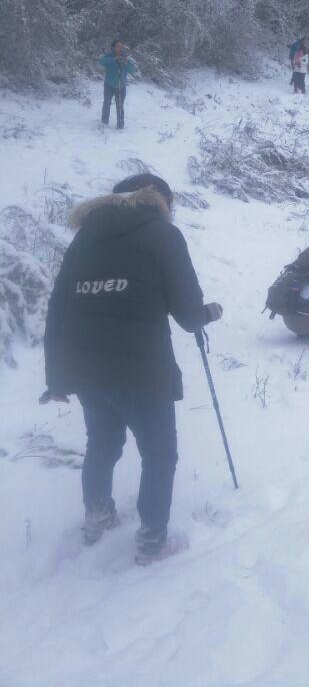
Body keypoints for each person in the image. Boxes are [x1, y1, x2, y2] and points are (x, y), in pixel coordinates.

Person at [41, 173, 223, 563]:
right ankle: (152, 541)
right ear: (160, 201)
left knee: (102, 445)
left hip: (87, 369)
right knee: (159, 455)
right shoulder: (163, 235)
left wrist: (56, 375)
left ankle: (98, 515)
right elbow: (189, 315)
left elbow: (57, 307)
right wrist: (210, 313)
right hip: (142, 371)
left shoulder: (85, 236)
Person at [99, 40, 136, 130]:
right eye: (118, 46)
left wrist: (126, 63)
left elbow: (132, 70)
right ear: (114, 47)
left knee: (120, 105)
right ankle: (104, 122)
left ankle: (120, 124)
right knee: (107, 103)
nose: (120, 48)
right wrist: (113, 59)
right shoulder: (109, 55)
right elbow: (101, 61)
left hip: (121, 85)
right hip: (109, 84)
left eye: (121, 46)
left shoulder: (125, 57)